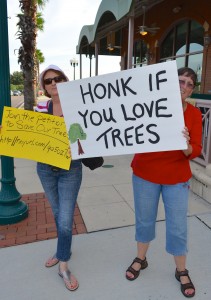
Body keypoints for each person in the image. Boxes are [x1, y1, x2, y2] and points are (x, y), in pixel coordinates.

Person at [125, 67, 202, 298]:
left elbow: (195, 149)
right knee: (144, 219)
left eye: (190, 84)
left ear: (192, 90)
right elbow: (129, 125)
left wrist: (185, 145)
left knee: (178, 225)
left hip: (176, 177)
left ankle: (181, 270)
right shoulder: (150, 104)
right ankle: (141, 258)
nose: (184, 86)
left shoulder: (194, 115)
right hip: (145, 173)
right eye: (181, 81)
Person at [36, 65, 82, 291]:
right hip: (45, 168)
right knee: (57, 214)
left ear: (65, 79)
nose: (53, 83)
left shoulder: (80, 104)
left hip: (70, 169)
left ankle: (63, 265)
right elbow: (30, 136)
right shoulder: (42, 107)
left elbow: (89, 133)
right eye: (48, 80)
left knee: (65, 218)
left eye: (58, 78)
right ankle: (62, 250)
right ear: (44, 87)